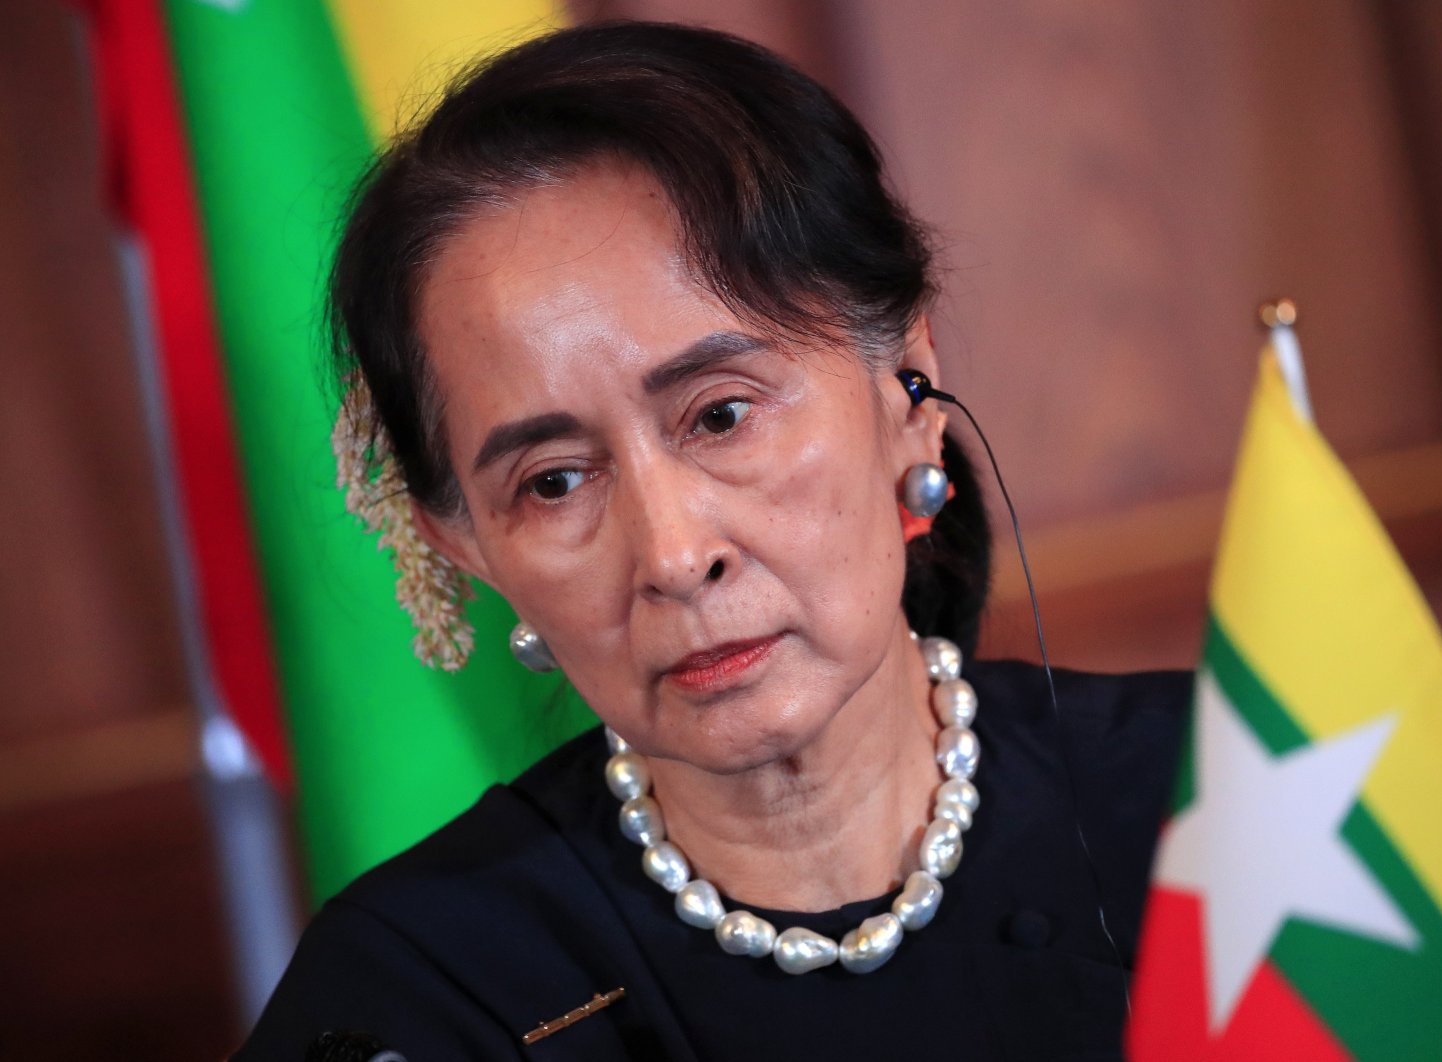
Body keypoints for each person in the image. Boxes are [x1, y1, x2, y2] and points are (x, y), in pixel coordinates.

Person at [237, 21, 1189, 1061]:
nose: (675, 556)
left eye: (722, 415)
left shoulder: (1230, 797)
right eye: (553, 482)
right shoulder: (421, 992)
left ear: (908, 385)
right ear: (461, 543)